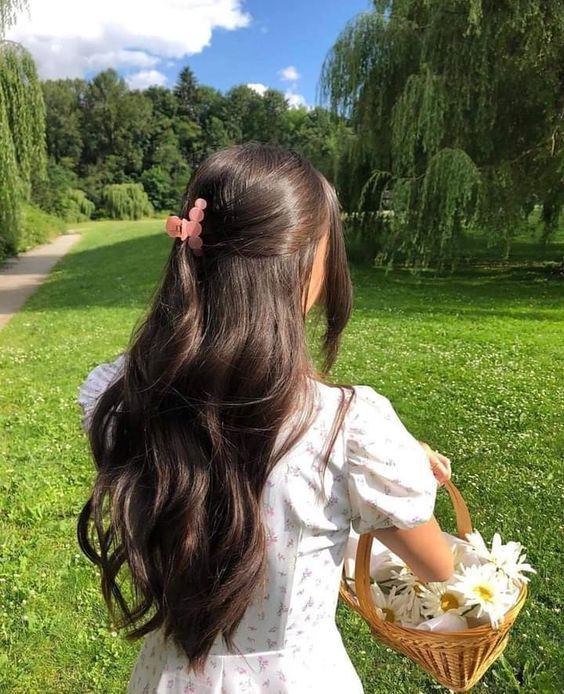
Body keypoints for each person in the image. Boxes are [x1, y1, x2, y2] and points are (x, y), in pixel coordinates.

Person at [76, 142, 453, 694]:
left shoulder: (125, 397)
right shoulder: (351, 429)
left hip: (168, 678)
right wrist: (411, 470)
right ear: (304, 265)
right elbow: (438, 569)